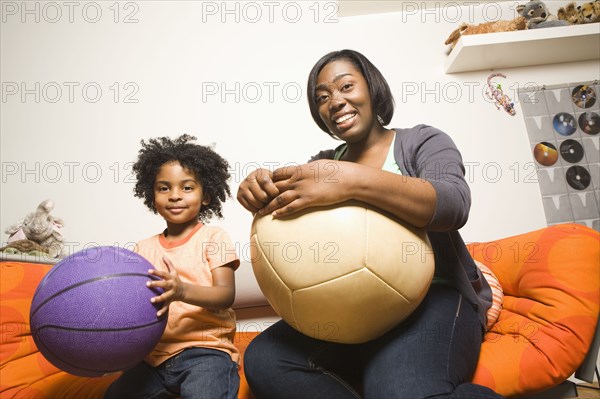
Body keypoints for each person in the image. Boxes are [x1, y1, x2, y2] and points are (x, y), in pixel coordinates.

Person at [237, 50, 504, 399]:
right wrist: (262, 189)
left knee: (395, 391)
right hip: (353, 310)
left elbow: (453, 204)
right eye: (322, 97)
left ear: (372, 88)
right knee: (266, 359)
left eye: (346, 85)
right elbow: (295, 224)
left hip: (434, 298)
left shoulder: (421, 141)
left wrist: (352, 181)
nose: (335, 101)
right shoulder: (321, 163)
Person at [105, 134, 240, 399]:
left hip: (205, 351)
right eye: (164, 188)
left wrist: (181, 290)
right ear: (150, 195)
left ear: (207, 196)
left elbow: (226, 295)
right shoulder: (142, 249)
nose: (175, 196)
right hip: (152, 359)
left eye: (187, 187)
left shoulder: (214, 237)